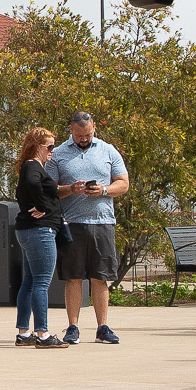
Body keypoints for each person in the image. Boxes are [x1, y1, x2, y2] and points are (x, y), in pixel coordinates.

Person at [50, 110, 130, 345]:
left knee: (100, 276)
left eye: (88, 134)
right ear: (70, 130)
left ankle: (102, 327)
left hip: (103, 222)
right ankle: (73, 327)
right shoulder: (59, 154)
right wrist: (70, 189)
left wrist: (104, 190)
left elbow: (123, 183)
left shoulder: (108, 150)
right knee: (73, 277)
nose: (84, 138)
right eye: (79, 135)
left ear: (94, 128)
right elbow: (51, 189)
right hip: (72, 223)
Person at [13, 126, 62, 346]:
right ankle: (42, 334)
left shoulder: (29, 166)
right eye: (50, 147)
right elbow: (34, 184)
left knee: (30, 282)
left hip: (27, 230)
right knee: (41, 282)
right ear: (37, 147)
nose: (53, 151)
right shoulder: (33, 166)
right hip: (40, 230)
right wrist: (42, 205)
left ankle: (24, 333)